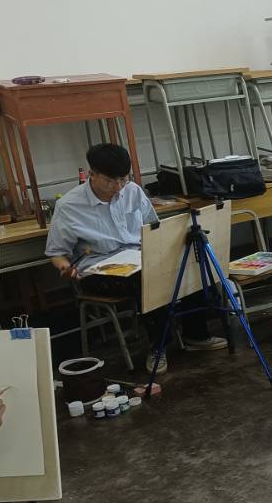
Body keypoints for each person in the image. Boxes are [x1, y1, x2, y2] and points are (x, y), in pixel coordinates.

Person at [45, 143, 227, 375]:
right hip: (98, 270)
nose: (118, 187)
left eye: (123, 179)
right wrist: (64, 266)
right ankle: (158, 346)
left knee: (191, 259)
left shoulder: (132, 191)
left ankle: (196, 334)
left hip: (139, 257)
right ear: (92, 174)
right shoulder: (69, 206)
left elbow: (154, 228)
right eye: (110, 181)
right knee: (148, 278)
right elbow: (56, 252)